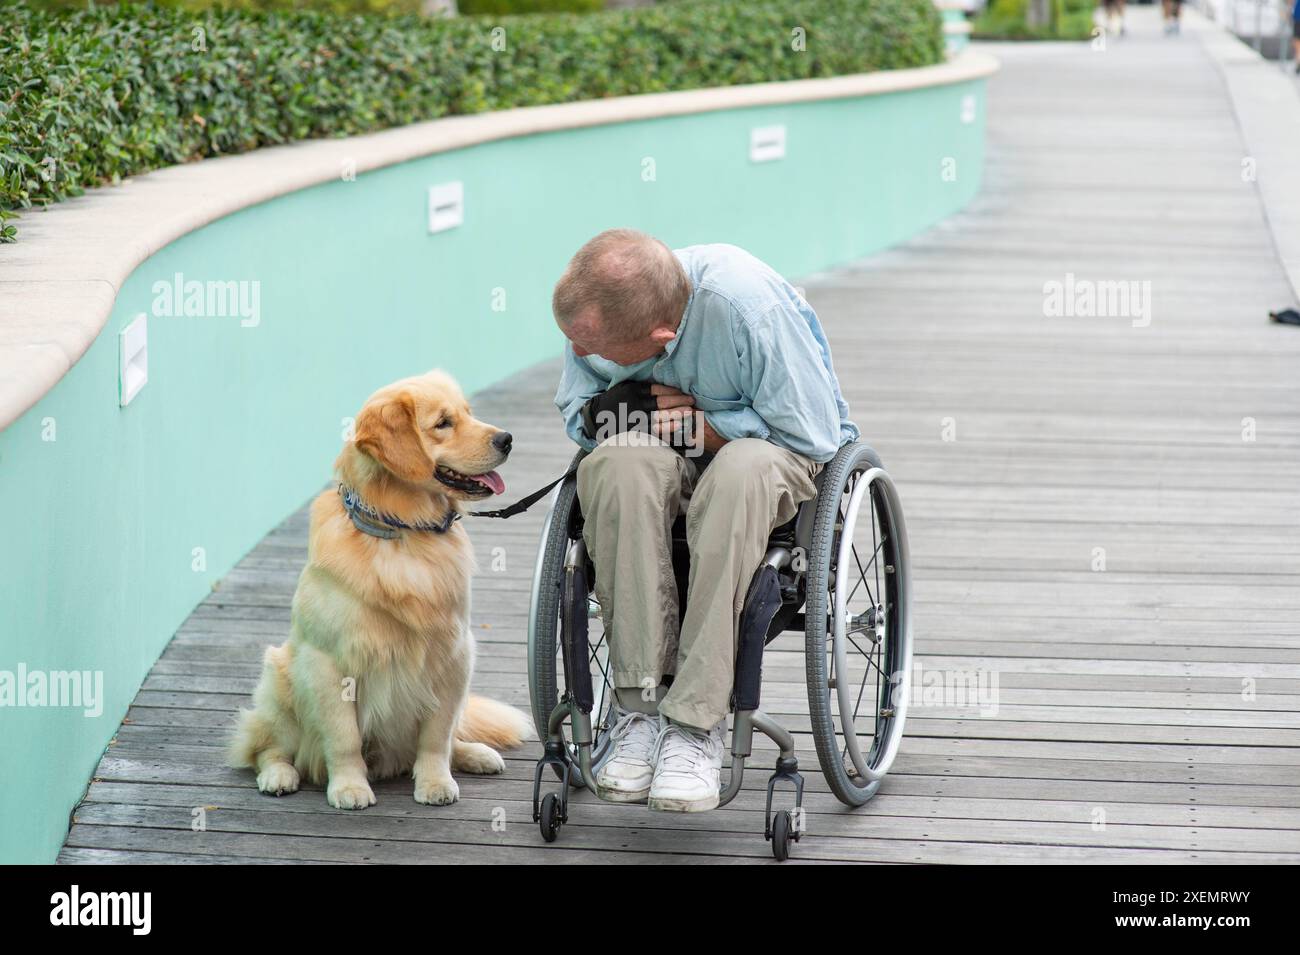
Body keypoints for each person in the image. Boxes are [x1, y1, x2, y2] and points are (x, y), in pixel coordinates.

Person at [551, 229, 857, 811]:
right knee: (617, 463)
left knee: (738, 472)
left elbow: (813, 436)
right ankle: (638, 711)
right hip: (662, 456)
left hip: (767, 457)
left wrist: (703, 428)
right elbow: (577, 413)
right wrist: (602, 414)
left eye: (603, 353)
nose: (587, 356)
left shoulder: (750, 311)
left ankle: (695, 724)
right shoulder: (600, 317)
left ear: (659, 338)